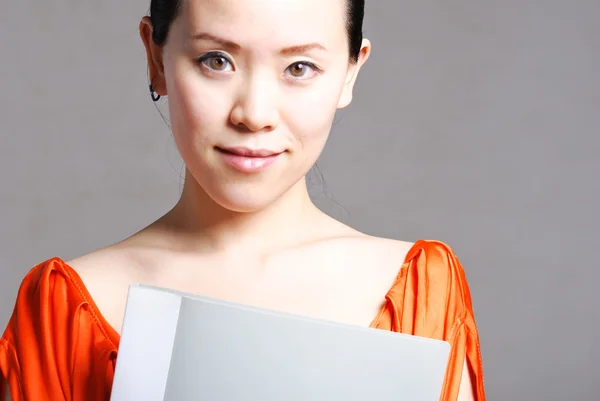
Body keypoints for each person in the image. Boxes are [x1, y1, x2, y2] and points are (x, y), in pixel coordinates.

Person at [0, 0, 486, 400]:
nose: (254, 114)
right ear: (156, 58)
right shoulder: (64, 306)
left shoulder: (421, 292)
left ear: (350, 73)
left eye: (300, 67)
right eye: (216, 60)